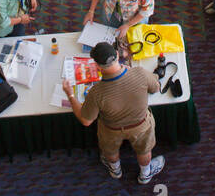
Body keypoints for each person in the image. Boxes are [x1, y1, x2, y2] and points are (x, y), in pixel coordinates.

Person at [62, 41, 165, 183]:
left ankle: (115, 170)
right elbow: (155, 87)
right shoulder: (140, 73)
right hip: (141, 126)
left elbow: (86, 120)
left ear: (97, 66)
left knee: (110, 151)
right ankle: (145, 174)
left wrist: (70, 95)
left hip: (111, 129)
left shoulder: (96, 92)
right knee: (144, 150)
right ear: (117, 54)